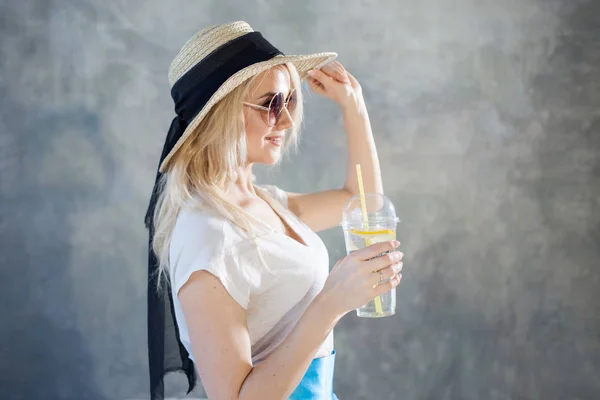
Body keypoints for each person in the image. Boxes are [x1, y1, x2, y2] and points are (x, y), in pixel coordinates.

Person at [145, 21, 404, 400]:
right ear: (219, 114)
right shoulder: (207, 236)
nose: (285, 121)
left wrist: (355, 107)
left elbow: (361, 200)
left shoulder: (266, 203)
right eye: (270, 104)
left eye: (290, 101)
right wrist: (332, 301)